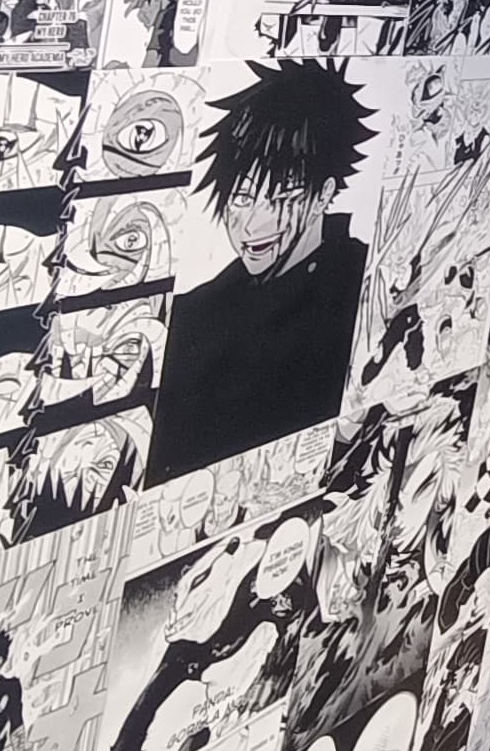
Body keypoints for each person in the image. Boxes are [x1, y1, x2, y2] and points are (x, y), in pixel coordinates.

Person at [144, 60, 371, 481]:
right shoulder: (194, 316)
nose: (252, 225)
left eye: (281, 196)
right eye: (242, 197)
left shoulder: (368, 286)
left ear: (323, 195)